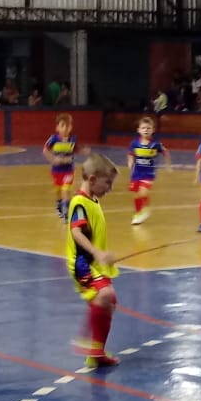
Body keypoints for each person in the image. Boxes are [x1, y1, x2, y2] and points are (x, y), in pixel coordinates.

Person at [67, 152, 121, 368]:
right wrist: (97, 253)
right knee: (105, 295)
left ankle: (96, 354)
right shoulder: (79, 203)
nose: (110, 188)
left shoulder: (93, 201)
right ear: (92, 179)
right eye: (107, 183)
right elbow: (77, 233)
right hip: (82, 265)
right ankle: (85, 339)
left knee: (109, 303)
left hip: (94, 264)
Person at [127, 116, 171, 226]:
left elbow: (165, 152)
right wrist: (130, 162)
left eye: (148, 128)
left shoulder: (155, 144)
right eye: (143, 128)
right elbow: (130, 154)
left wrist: (167, 165)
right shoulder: (134, 143)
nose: (146, 130)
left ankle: (146, 209)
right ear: (139, 130)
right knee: (136, 195)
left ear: (153, 130)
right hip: (136, 173)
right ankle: (138, 214)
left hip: (148, 173)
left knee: (143, 192)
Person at [43, 113, 80, 220]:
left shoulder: (72, 139)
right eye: (63, 125)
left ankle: (66, 210)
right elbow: (45, 150)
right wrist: (53, 160)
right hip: (56, 170)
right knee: (58, 190)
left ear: (71, 127)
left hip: (69, 170)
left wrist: (80, 151)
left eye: (68, 126)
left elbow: (75, 150)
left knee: (66, 189)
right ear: (57, 127)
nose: (65, 128)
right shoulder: (53, 139)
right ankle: (59, 205)